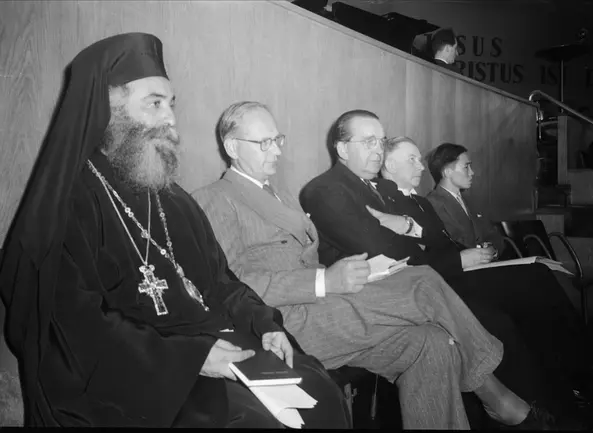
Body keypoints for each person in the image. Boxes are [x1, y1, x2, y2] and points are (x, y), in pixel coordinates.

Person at [0, 33, 352, 428]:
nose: (169, 118)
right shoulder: (68, 204)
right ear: (107, 111)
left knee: (321, 392)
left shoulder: (175, 200)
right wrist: (190, 358)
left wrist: (263, 323)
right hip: (140, 376)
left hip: (213, 348)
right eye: (154, 104)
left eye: (171, 104)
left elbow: (221, 282)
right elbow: (72, 325)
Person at [194, 101, 555, 430]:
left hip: (323, 307)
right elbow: (230, 286)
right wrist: (323, 282)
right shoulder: (215, 200)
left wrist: (342, 276)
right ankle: (497, 397)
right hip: (284, 324)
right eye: (264, 143)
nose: (276, 150)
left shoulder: (281, 195)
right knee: (423, 282)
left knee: (434, 342)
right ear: (232, 147)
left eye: (277, 140)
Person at [373, 136, 593, 421]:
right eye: (412, 159)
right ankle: (543, 400)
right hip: (437, 284)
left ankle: (573, 374)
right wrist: (461, 259)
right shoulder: (385, 204)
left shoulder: (419, 202)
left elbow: (445, 244)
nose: (421, 166)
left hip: (452, 273)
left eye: (419, 158)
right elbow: (408, 262)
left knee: (537, 276)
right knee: (505, 313)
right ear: (390, 165)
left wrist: (470, 255)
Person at [425, 142, 593, 386]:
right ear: (447, 171)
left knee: (543, 279)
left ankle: (572, 362)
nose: (473, 172)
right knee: (537, 279)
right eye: (467, 166)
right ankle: (575, 365)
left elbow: (494, 236)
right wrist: (479, 249)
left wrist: (493, 249)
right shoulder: (433, 204)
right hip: (465, 278)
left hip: (485, 268)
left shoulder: (467, 201)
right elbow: (451, 245)